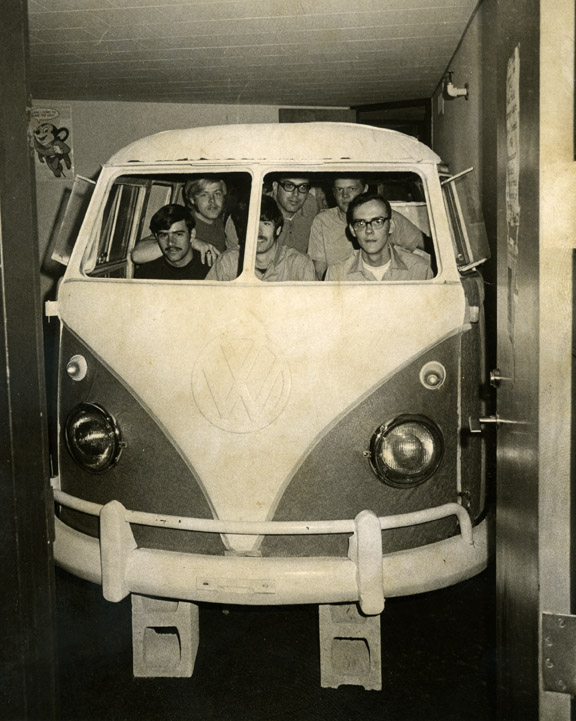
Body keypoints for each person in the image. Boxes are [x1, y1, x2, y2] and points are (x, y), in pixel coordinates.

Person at [308, 176, 425, 280]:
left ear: (365, 189)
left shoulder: (385, 216)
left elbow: (430, 245)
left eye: (352, 189)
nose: (345, 195)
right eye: (339, 190)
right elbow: (319, 272)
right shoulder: (322, 221)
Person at [325, 193, 432, 282]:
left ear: (391, 226)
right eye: (361, 223)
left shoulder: (419, 270)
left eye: (377, 222)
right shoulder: (336, 275)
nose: (369, 230)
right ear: (353, 230)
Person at [206, 196, 315, 282]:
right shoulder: (228, 262)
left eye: (266, 224)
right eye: (251, 224)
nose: (258, 231)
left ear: (277, 230)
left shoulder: (300, 265)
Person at [132, 176, 232, 265]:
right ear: (193, 200)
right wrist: (191, 242)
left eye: (217, 193)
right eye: (204, 195)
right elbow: (138, 255)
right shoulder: (182, 221)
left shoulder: (219, 223)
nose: (212, 200)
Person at [133, 204, 208, 280]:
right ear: (156, 237)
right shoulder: (146, 274)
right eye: (164, 235)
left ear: (192, 235)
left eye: (178, 234)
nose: (170, 243)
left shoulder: (210, 269)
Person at [270, 175, 318, 255]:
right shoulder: (257, 210)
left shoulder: (310, 205)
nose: (296, 194)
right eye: (289, 186)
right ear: (275, 187)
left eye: (303, 187)